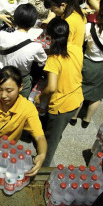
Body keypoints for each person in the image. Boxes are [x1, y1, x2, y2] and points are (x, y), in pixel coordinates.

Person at [35, 18, 83, 167]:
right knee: (58, 131)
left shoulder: (54, 60)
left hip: (61, 105)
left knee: (50, 142)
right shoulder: (76, 48)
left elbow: (51, 88)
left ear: (51, 37)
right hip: (77, 98)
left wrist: (39, 97)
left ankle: (42, 169)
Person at [0, 4, 47, 98]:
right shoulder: (36, 47)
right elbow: (43, 60)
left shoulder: (2, 35)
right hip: (22, 81)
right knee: (20, 107)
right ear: (33, 23)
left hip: (3, 77)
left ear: (15, 20)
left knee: (1, 103)